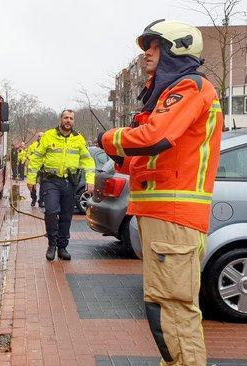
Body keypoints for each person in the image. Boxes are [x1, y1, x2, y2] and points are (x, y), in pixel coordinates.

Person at [98, 20, 222, 366]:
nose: (146, 55)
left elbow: (154, 137)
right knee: (164, 308)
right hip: (163, 219)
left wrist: (109, 140)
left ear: (175, 49)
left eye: (153, 47)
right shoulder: (170, 95)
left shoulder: (190, 87)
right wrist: (123, 156)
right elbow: (155, 155)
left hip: (174, 219)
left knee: (174, 309)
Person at [26, 110, 95, 261]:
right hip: (51, 181)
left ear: (73, 121)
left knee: (66, 215)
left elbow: (88, 161)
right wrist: (31, 179)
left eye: (71, 118)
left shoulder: (78, 139)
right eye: (65, 118)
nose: (68, 120)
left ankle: (62, 247)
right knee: (51, 212)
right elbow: (36, 158)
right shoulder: (49, 136)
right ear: (60, 119)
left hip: (69, 183)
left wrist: (90, 180)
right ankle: (52, 245)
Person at [23, 133, 44, 206]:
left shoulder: (46, 146)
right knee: (31, 186)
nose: (40, 137)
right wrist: (32, 158)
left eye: (42, 136)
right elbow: (27, 155)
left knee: (43, 186)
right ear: (37, 137)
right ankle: (33, 199)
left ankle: (41, 200)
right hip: (33, 168)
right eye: (39, 136)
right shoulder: (32, 146)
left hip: (43, 168)